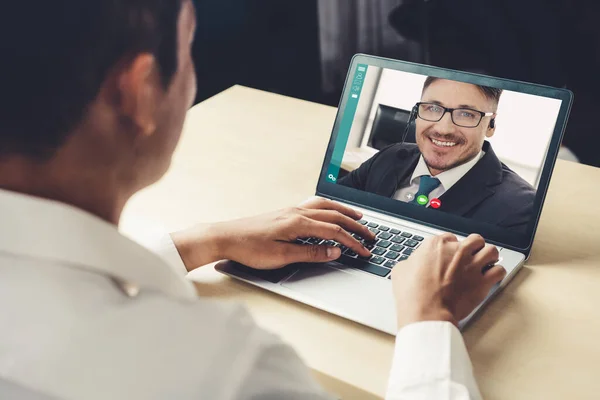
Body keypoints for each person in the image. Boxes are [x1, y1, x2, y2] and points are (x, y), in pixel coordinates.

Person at [0, 1, 506, 399]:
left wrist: (206, 241)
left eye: (463, 114)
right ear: (139, 93)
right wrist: (429, 319)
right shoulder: (227, 370)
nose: (442, 125)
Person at [339, 77, 536, 233]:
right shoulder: (390, 155)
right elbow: (333, 205)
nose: (443, 129)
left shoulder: (520, 206)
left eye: (466, 114)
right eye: (433, 108)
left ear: (491, 125)